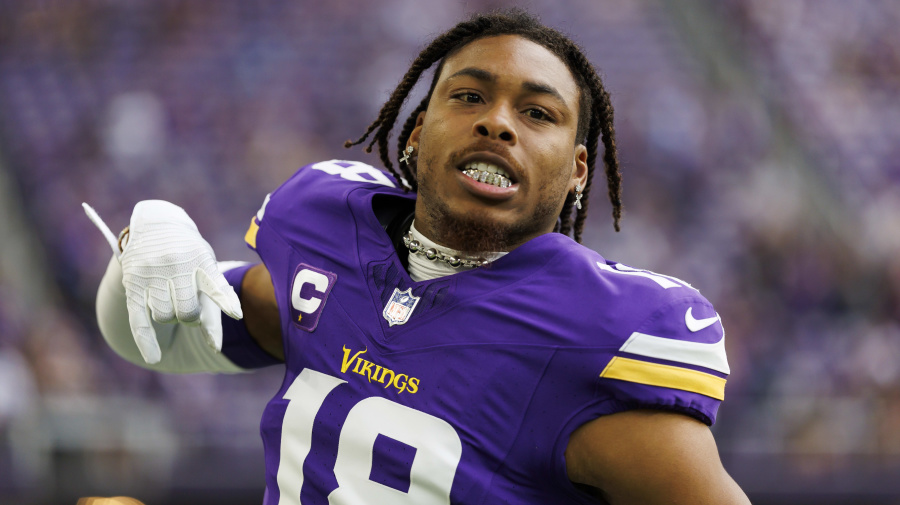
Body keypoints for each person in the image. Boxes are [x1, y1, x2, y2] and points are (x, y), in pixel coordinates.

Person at [86, 10, 750, 505]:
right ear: (416, 129)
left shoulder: (591, 332)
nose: (498, 122)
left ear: (579, 172)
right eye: (467, 95)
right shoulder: (330, 231)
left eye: (538, 113)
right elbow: (160, 335)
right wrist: (142, 252)